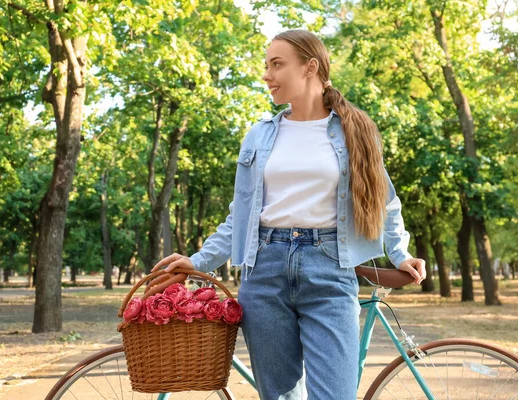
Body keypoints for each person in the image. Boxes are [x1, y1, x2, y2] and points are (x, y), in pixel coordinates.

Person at [152, 29, 426, 400]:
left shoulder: (355, 131)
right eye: (266, 65)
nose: (267, 74)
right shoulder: (260, 136)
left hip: (330, 270)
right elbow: (241, 215)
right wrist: (199, 260)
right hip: (264, 272)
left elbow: (384, 201)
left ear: (310, 67)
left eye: (277, 65)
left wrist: (401, 253)